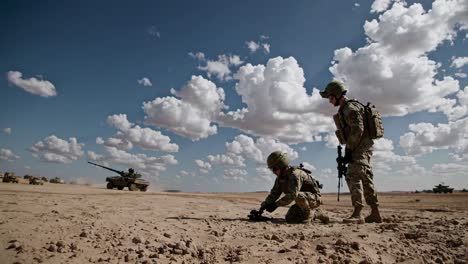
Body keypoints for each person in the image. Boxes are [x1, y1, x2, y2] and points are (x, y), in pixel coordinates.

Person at [320, 80, 382, 223]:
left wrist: (348, 150)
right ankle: (375, 212)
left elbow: (357, 129)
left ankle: (358, 213)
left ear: (336, 95)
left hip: (359, 147)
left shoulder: (349, 108)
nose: (329, 101)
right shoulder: (350, 107)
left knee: (352, 175)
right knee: (365, 177)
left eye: (330, 97)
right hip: (362, 146)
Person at [260, 151, 329, 224]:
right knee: (290, 219)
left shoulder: (295, 175)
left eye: (274, 169)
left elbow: (293, 195)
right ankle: (318, 214)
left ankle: (311, 214)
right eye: (271, 169)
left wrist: (276, 205)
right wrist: (263, 206)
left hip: (314, 199)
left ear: (281, 165)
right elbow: (274, 194)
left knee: (298, 195)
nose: (273, 172)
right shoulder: (280, 179)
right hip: (302, 202)